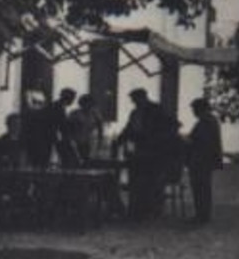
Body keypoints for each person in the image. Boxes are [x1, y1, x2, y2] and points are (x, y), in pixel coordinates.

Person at [117, 88, 174, 219]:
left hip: (155, 151)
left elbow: (168, 127)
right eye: (133, 101)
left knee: (152, 181)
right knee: (137, 180)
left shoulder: (157, 110)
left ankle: (153, 210)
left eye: (135, 100)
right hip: (140, 149)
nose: (134, 103)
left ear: (143, 97)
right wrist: (120, 140)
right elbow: (128, 128)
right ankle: (137, 209)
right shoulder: (135, 112)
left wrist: (157, 141)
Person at [184, 98, 224, 224]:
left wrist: (184, 139)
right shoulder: (211, 120)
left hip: (201, 160)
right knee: (203, 188)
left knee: (200, 188)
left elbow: (198, 140)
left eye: (194, 109)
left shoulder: (205, 122)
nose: (193, 112)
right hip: (205, 159)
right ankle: (202, 214)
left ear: (199, 109)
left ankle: (202, 215)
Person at [67, 94, 106, 163]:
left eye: (90, 104)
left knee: (88, 160)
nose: (88, 106)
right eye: (85, 103)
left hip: (89, 142)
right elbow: (68, 129)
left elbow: (101, 129)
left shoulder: (95, 114)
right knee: (76, 160)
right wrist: (70, 140)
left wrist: (100, 142)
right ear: (81, 104)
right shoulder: (75, 114)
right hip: (76, 141)